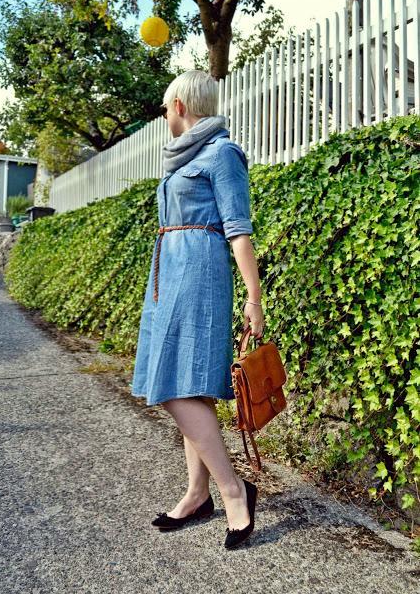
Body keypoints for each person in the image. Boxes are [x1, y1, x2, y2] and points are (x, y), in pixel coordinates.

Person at [131, 69, 265, 549]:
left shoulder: (221, 153)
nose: (165, 114)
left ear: (181, 106)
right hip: (169, 272)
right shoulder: (180, 158)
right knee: (189, 384)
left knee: (173, 386)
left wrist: (254, 298)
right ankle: (196, 494)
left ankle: (234, 492)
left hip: (201, 274)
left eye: (167, 106)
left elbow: (239, 229)